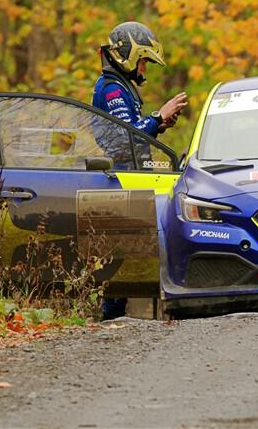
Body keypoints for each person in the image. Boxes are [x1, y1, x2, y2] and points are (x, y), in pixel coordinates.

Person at [92, 21, 188, 320]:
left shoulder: (121, 87)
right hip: (120, 182)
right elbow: (124, 139)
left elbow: (132, 136)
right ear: (129, 56)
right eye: (144, 61)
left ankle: (123, 320)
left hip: (130, 180)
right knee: (122, 258)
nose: (145, 69)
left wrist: (157, 125)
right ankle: (111, 322)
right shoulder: (111, 90)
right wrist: (158, 115)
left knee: (131, 257)